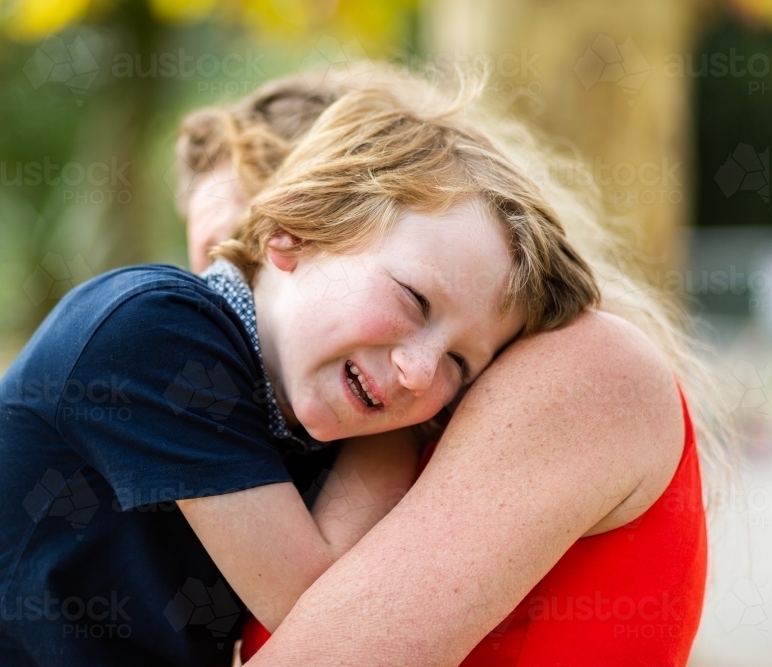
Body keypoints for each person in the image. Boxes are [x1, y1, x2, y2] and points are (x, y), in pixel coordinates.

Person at [0, 69, 600, 667]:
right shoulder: (154, 330)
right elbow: (332, 627)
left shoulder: (301, 418)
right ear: (291, 234)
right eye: (414, 298)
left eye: (460, 363)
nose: (421, 372)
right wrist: (401, 432)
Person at [179, 71, 719, 666]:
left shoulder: (587, 368)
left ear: (304, 217)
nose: (221, 297)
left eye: (233, 255)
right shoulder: (361, 437)